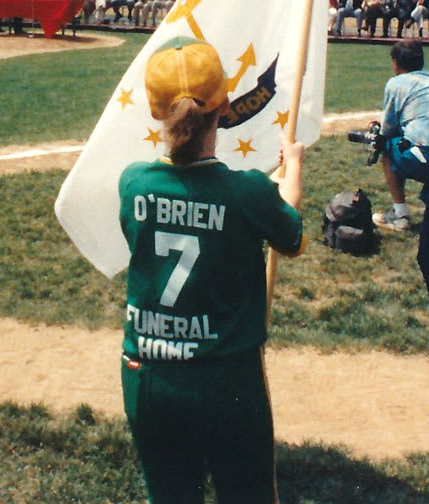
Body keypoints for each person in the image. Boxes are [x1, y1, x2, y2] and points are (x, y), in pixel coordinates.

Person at [119, 37, 305, 504]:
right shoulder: (248, 191)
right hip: (226, 380)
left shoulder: (132, 182)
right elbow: (293, 237)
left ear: (159, 113)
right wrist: (294, 169)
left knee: (171, 495)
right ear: (224, 105)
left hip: (148, 375)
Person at [371, 41, 429, 232]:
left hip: (426, 157)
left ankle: (400, 216)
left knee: (389, 146)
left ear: (396, 63)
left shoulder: (396, 83)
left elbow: (388, 129)